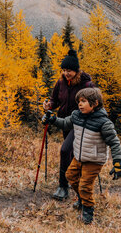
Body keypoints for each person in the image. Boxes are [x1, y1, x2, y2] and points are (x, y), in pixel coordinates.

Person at [42, 87, 121, 224]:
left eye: (84, 101)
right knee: (70, 176)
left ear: (95, 103)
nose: (80, 104)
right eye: (79, 101)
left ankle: (87, 210)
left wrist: (118, 163)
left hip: (94, 160)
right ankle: (82, 197)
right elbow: (65, 123)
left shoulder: (104, 123)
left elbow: (114, 143)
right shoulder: (77, 115)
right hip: (79, 157)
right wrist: (53, 119)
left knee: (85, 185)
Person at [42, 49, 94, 200]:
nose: (66, 73)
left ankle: (63, 187)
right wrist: (49, 105)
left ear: (76, 70)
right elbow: (55, 100)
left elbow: (94, 104)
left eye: (69, 70)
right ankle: (75, 182)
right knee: (71, 154)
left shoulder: (86, 84)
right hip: (64, 122)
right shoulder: (61, 82)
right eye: (64, 70)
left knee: (65, 151)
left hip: (80, 124)